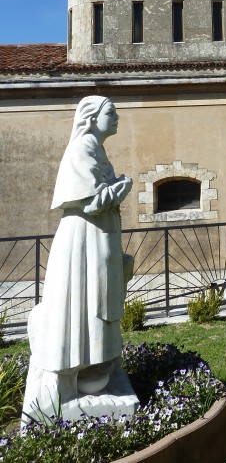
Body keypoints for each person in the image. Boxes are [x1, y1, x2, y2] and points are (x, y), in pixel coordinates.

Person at [22, 96, 135, 420]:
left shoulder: (95, 149)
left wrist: (114, 187)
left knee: (94, 306)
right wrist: (120, 189)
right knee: (80, 306)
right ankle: (68, 381)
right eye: (111, 113)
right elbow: (90, 200)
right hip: (83, 241)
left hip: (96, 239)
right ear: (92, 117)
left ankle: (95, 372)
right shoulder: (82, 149)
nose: (116, 118)